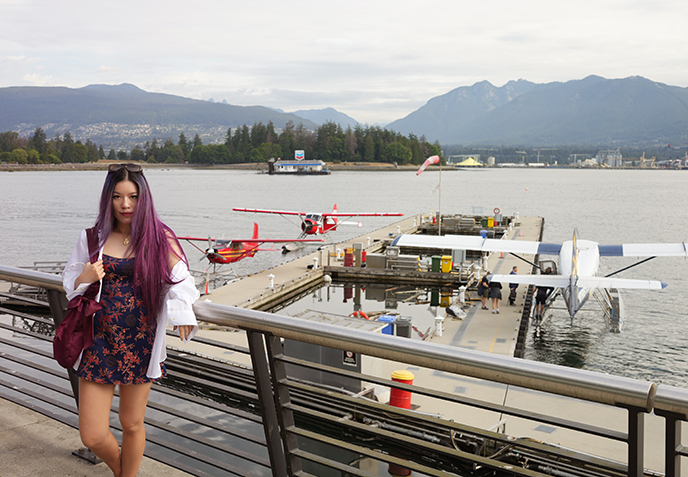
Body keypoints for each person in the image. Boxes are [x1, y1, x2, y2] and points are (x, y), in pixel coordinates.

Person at [62, 163, 199, 477]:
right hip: (98, 340)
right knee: (93, 434)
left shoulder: (159, 237)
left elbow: (182, 281)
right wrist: (84, 276)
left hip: (142, 340)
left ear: (144, 198)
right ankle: (123, 472)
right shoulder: (92, 237)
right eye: (118, 196)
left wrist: (181, 312)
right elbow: (70, 282)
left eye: (133, 197)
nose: (126, 205)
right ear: (107, 199)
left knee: (132, 423)